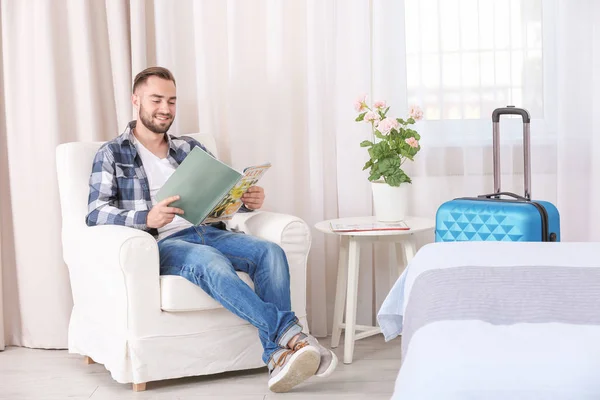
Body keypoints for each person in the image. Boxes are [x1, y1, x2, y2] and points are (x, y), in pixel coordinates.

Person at [85, 66, 337, 393]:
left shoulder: (188, 148)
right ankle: (294, 337)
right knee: (209, 262)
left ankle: (277, 356)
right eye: (157, 99)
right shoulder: (112, 154)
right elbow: (95, 212)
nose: (165, 109)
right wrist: (146, 218)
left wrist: (247, 200)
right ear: (136, 100)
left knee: (269, 251)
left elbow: (221, 198)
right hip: (164, 242)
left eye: (172, 101)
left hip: (208, 230)